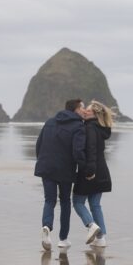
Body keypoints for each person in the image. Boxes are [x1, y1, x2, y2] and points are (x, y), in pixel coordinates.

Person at [34, 99, 87, 252]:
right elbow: (78, 152)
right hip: (65, 170)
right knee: (65, 201)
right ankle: (63, 239)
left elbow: (39, 144)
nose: (84, 110)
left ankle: (46, 227)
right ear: (76, 109)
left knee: (49, 200)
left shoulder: (50, 121)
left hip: (47, 168)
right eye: (82, 107)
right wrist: (84, 170)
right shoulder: (78, 126)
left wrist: (43, 161)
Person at [72, 100, 114, 248]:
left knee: (77, 202)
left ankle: (92, 226)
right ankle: (101, 239)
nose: (85, 112)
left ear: (94, 114)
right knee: (95, 204)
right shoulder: (101, 128)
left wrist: (89, 171)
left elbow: (91, 150)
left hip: (91, 171)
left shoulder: (89, 127)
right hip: (102, 171)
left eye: (88, 111)